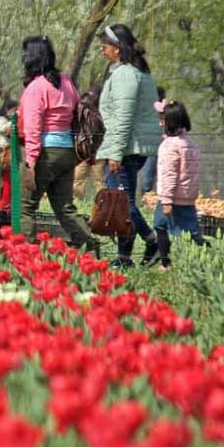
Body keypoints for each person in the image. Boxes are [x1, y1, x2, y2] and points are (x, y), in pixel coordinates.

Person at [95, 24, 162, 268]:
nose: (102, 50)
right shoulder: (135, 72)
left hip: (125, 148)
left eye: (105, 45)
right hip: (129, 146)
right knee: (123, 203)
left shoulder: (125, 75)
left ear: (117, 48)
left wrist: (115, 153)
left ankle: (152, 242)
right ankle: (126, 256)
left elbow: (123, 117)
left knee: (123, 204)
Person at [19, 36, 95, 249]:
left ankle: (27, 250)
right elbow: (78, 115)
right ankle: (88, 244)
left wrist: (31, 163)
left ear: (32, 58)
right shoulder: (66, 82)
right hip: (67, 152)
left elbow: (33, 127)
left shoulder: (37, 88)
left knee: (24, 205)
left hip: (46, 152)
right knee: (64, 207)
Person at [153, 100, 204, 270]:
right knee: (192, 230)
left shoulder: (169, 146)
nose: (161, 123)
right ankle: (204, 259)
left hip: (172, 196)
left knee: (160, 225)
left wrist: (166, 200)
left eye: (163, 120)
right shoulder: (190, 144)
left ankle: (166, 263)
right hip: (187, 196)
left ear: (170, 122)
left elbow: (169, 175)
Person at [73, 84, 106, 200]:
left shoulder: (102, 111)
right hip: (85, 150)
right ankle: (77, 203)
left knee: (100, 181)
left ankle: (102, 204)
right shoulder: (83, 111)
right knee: (78, 179)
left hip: (98, 151)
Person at [140, 86, 167, 194]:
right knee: (160, 175)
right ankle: (151, 196)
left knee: (149, 175)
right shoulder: (168, 110)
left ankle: (146, 195)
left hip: (151, 146)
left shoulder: (147, 110)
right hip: (164, 146)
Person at [0, 98, 18, 199]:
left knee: (5, 178)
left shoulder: (7, 120)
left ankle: (3, 199)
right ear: (7, 109)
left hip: (6, 150)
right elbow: (2, 129)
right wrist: (14, 120)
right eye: (14, 110)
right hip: (1, 151)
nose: (14, 113)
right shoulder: (1, 120)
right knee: (0, 177)